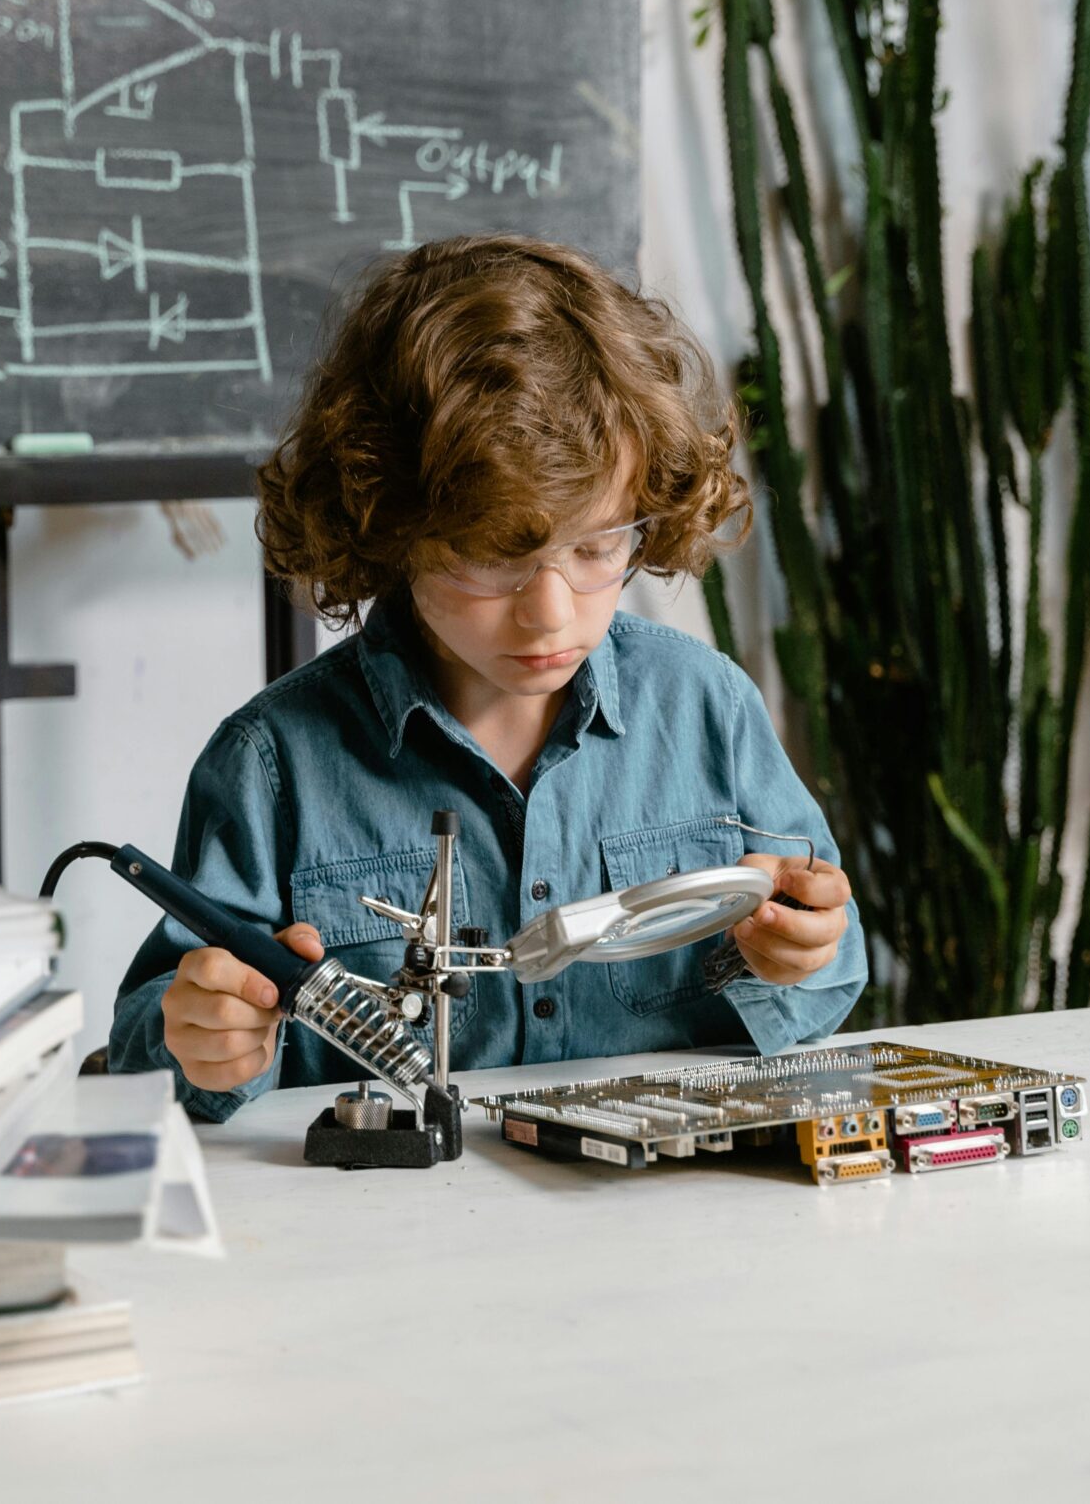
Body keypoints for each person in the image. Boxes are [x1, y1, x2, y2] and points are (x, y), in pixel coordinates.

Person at [107, 235, 864, 1119]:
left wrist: (802, 952)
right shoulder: (271, 765)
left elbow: (830, 980)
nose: (551, 612)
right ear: (390, 527)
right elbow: (147, 1058)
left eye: (595, 546)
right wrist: (199, 1042)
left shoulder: (708, 709)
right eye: (490, 556)